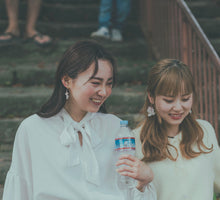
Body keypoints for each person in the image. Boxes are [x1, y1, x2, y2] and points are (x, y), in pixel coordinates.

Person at [2, 40, 156, 200]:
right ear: (67, 80)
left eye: (109, 84)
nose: (103, 92)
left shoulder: (116, 127)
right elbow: (19, 190)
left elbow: (128, 189)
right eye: (95, 83)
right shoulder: (33, 129)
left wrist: (143, 182)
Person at [133, 58, 220, 200]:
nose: (178, 108)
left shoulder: (204, 131)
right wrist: (141, 185)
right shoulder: (136, 140)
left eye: (185, 99)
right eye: (169, 100)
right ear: (151, 97)